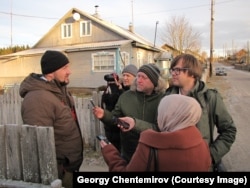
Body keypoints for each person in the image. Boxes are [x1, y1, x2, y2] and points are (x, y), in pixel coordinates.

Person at [19, 50, 84, 188]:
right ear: (50, 73)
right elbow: (39, 146)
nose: (69, 71)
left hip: (69, 168)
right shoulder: (38, 99)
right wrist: (56, 172)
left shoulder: (59, 90)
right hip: (57, 173)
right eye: (64, 68)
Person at [99, 94, 212, 171]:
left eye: (162, 112)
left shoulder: (151, 147)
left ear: (170, 116)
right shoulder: (202, 144)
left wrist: (110, 152)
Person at [165, 53, 237, 171]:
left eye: (177, 70)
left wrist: (210, 155)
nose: (173, 73)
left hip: (201, 167)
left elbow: (229, 130)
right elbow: (159, 128)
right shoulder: (167, 97)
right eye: (172, 69)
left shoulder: (210, 98)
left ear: (192, 73)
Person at [93, 63, 166, 162]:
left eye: (144, 77)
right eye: (138, 76)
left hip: (154, 155)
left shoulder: (164, 100)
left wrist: (135, 124)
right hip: (128, 154)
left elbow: (161, 130)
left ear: (155, 81)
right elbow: (115, 119)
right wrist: (104, 115)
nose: (139, 80)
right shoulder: (126, 97)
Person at [101, 64, 138, 151]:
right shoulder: (118, 89)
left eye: (128, 75)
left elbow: (128, 106)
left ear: (135, 77)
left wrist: (120, 91)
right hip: (115, 131)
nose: (125, 78)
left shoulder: (136, 93)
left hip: (131, 134)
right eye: (123, 75)